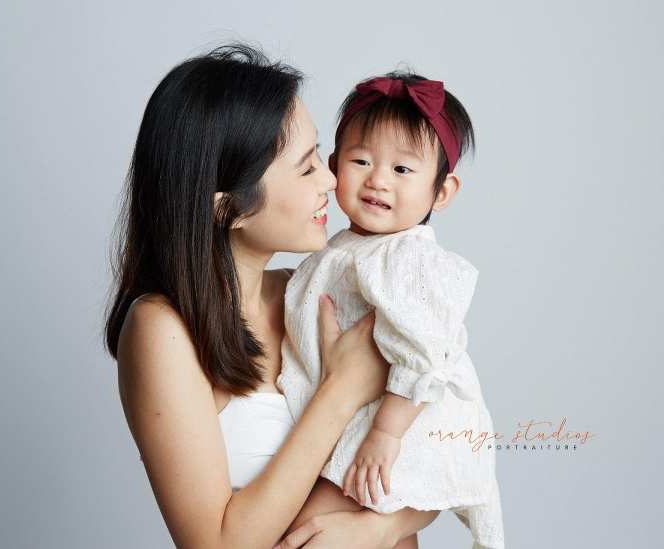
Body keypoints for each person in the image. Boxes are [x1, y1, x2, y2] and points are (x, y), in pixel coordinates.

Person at [103, 44, 441, 549]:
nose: (332, 178)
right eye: (306, 168)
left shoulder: (311, 294)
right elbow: (215, 544)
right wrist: (342, 390)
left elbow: (436, 447)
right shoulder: (162, 329)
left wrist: (380, 527)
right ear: (229, 209)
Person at [277, 73, 505, 548]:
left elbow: (423, 353)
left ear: (441, 192)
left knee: (303, 531)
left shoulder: (409, 259)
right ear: (334, 166)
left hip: (400, 427)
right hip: (356, 424)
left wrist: (386, 433)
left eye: (402, 169)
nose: (378, 180)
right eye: (361, 161)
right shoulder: (340, 250)